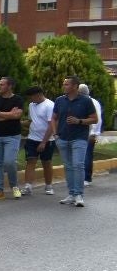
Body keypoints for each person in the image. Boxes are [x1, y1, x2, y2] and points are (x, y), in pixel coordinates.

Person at [49, 75, 96, 207]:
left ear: (75, 86)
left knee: (78, 165)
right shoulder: (59, 100)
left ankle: (79, 195)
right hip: (62, 138)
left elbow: (94, 119)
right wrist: (55, 134)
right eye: (64, 84)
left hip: (79, 138)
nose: (64, 86)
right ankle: (71, 193)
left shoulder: (86, 101)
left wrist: (79, 121)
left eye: (67, 84)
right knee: (68, 167)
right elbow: (54, 118)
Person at [20, 86, 56, 196]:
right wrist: (21, 123)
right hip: (32, 138)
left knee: (46, 162)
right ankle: (28, 186)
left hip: (47, 140)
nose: (30, 100)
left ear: (38, 95)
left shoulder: (50, 105)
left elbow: (51, 125)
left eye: (31, 97)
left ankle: (49, 185)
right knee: (30, 161)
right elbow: (32, 121)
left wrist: (44, 142)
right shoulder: (32, 105)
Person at [78, 83, 103, 187]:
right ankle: (82, 177)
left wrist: (94, 133)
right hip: (83, 133)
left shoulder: (91, 102)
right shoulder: (89, 101)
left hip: (90, 133)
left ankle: (86, 178)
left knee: (87, 156)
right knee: (82, 156)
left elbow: (97, 120)